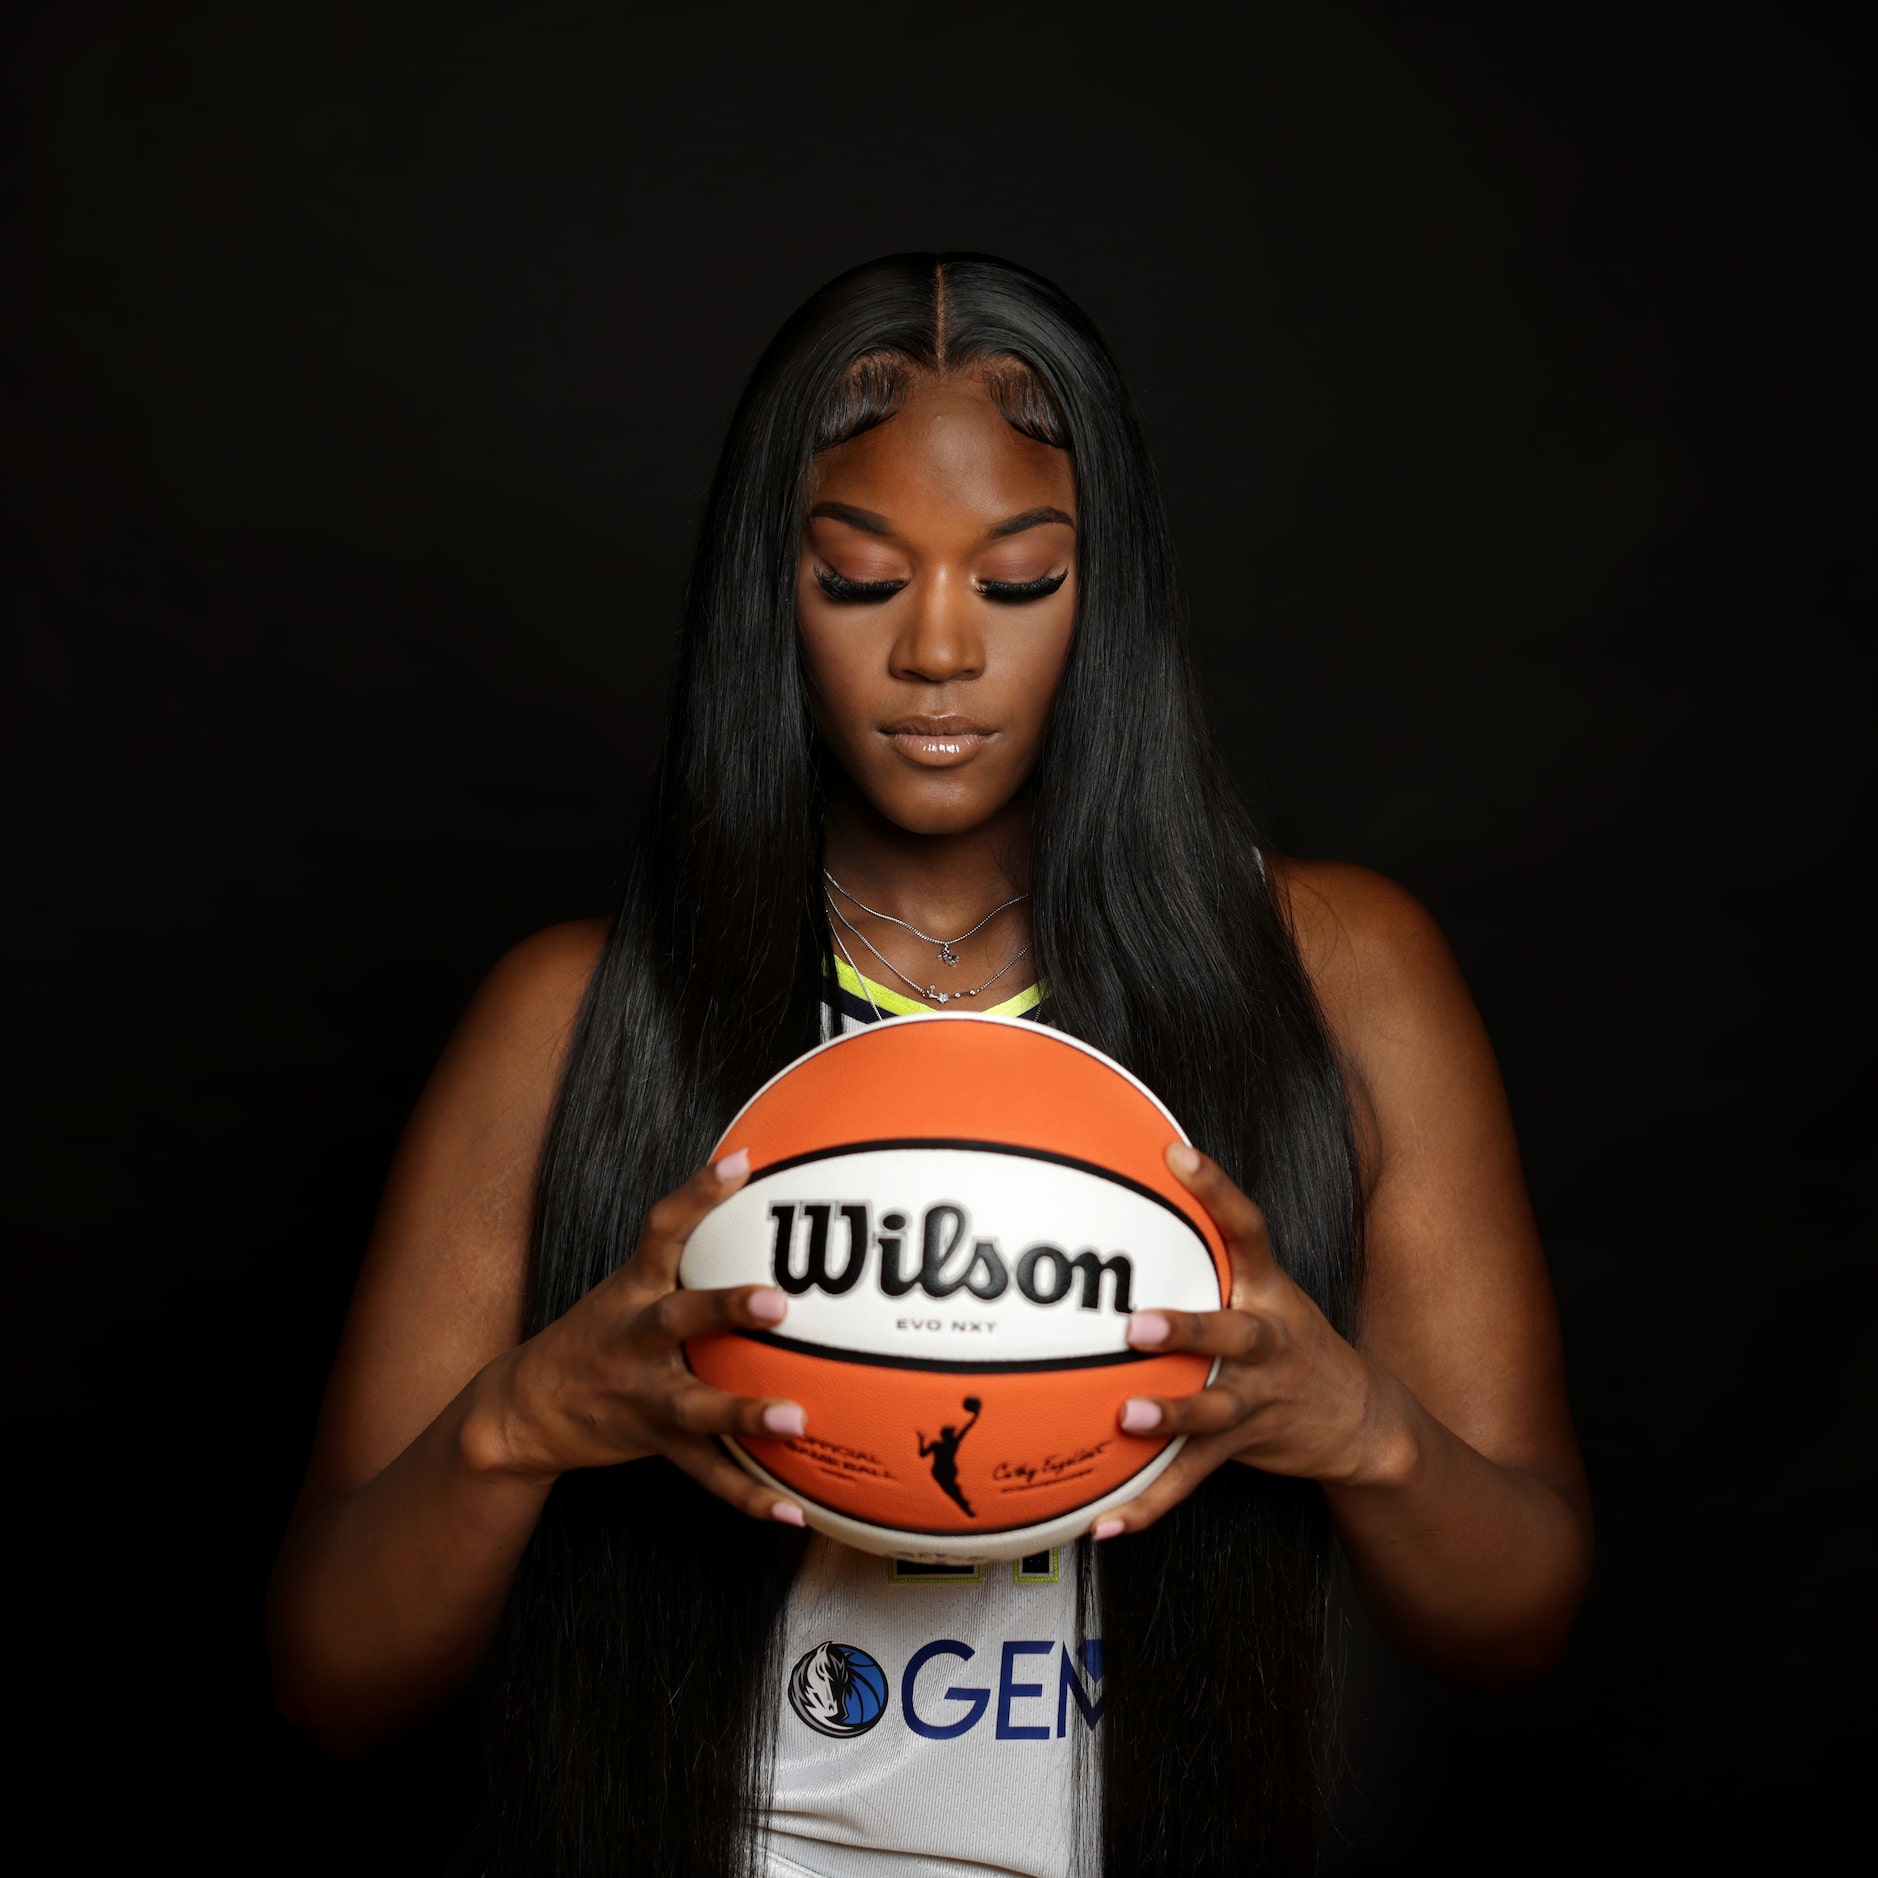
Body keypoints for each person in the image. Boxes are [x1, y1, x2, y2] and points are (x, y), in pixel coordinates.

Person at [267, 253, 1592, 1876]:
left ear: (1110, 593)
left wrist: (1362, 1427)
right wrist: (521, 1420)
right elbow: (332, 1684)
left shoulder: (1334, 975)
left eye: (1020, 581)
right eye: (857, 578)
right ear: (772, 590)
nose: (940, 652)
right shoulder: (574, 1014)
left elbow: (1515, 1619)